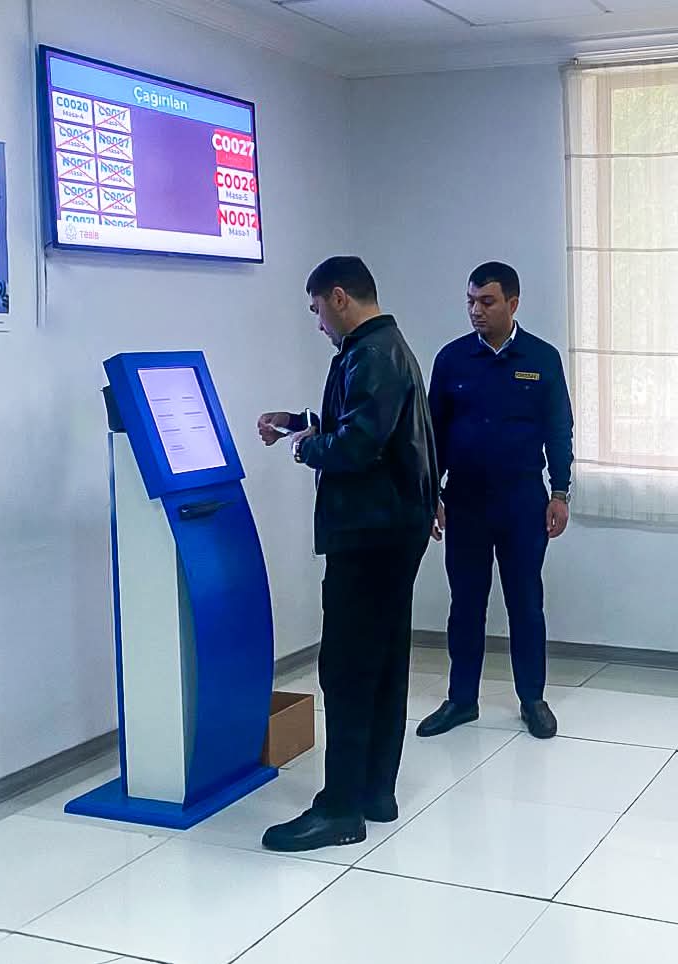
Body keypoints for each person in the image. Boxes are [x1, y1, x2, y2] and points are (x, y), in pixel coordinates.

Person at [256, 256, 438, 853]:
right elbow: (365, 422)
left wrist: (305, 450)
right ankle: (374, 792)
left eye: (317, 310)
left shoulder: (373, 354)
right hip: (391, 528)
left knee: (347, 667)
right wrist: (300, 422)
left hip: (370, 533)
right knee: (382, 663)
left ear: (339, 298)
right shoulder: (382, 349)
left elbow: (357, 445)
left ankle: (339, 809)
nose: (317, 323)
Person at [416, 261, 574, 741]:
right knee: (466, 603)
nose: (476, 311)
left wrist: (560, 490)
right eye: (470, 301)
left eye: (486, 301)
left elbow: (559, 428)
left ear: (513, 303)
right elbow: (433, 433)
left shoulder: (541, 358)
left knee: (525, 602)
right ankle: (461, 699)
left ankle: (533, 699)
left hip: (522, 500)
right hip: (465, 499)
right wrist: (430, 494)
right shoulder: (452, 359)